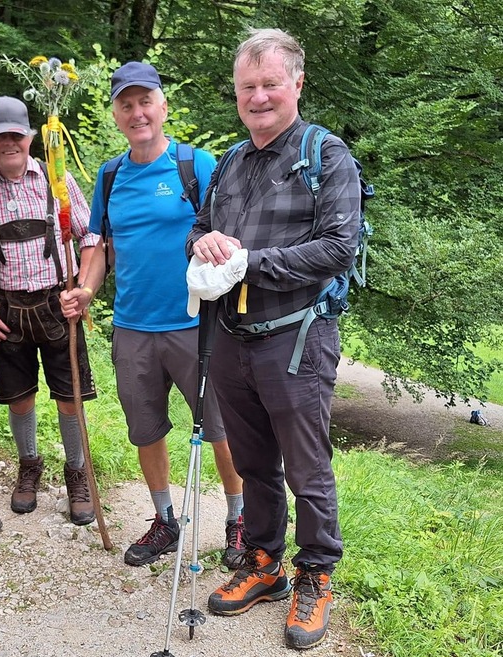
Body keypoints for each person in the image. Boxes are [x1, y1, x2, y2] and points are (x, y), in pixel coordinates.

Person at [187, 28, 361, 649]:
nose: (258, 97)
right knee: (253, 461)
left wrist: (251, 263)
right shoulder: (231, 162)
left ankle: (316, 576)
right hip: (232, 336)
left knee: (307, 469)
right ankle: (265, 563)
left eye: (269, 84)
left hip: (298, 338)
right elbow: (202, 229)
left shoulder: (326, 155)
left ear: (296, 84)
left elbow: (341, 248)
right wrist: (203, 245)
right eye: (247, 87)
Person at [60, 62, 246, 568]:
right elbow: (99, 243)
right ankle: (165, 520)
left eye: (145, 102)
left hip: (197, 326)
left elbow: (230, 234)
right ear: (117, 114)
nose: (137, 112)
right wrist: (85, 289)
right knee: (146, 429)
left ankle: (240, 520)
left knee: (221, 428)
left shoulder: (197, 165)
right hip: (133, 327)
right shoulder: (111, 173)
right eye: (126, 104)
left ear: (163, 107)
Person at [0, 96, 99, 525]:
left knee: (70, 399)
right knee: (20, 399)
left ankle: (77, 473)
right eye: (0, 136)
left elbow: (91, 237)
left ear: (29, 138)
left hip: (56, 306)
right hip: (6, 311)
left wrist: (82, 288)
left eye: (17, 134)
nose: (10, 142)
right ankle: (29, 466)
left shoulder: (57, 181)